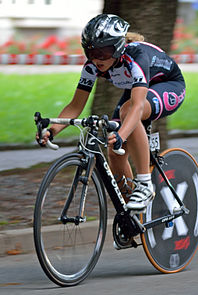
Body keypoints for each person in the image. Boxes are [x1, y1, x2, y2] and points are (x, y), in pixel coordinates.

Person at [37, 14, 186, 213]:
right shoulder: (92, 67)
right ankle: (131, 217)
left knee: (126, 115)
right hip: (138, 91)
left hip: (168, 85)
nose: (97, 59)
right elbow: (75, 106)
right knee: (114, 152)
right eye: (90, 52)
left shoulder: (135, 58)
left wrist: (122, 134)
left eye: (103, 52)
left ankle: (145, 184)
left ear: (117, 48)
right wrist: (53, 130)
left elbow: (137, 107)